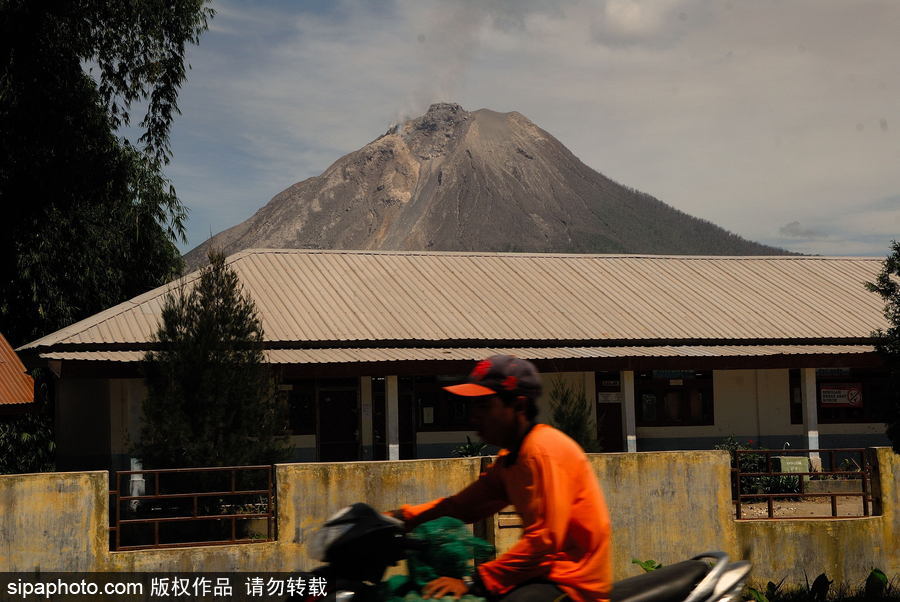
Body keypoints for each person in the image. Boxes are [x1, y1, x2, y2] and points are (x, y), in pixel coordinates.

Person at [394, 355, 612, 602]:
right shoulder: (511, 458)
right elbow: (462, 507)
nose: (474, 416)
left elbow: (544, 542)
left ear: (518, 406)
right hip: (543, 573)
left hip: (571, 583)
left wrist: (475, 582)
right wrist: (401, 518)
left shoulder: (543, 451)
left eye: (484, 406)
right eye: (473, 406)